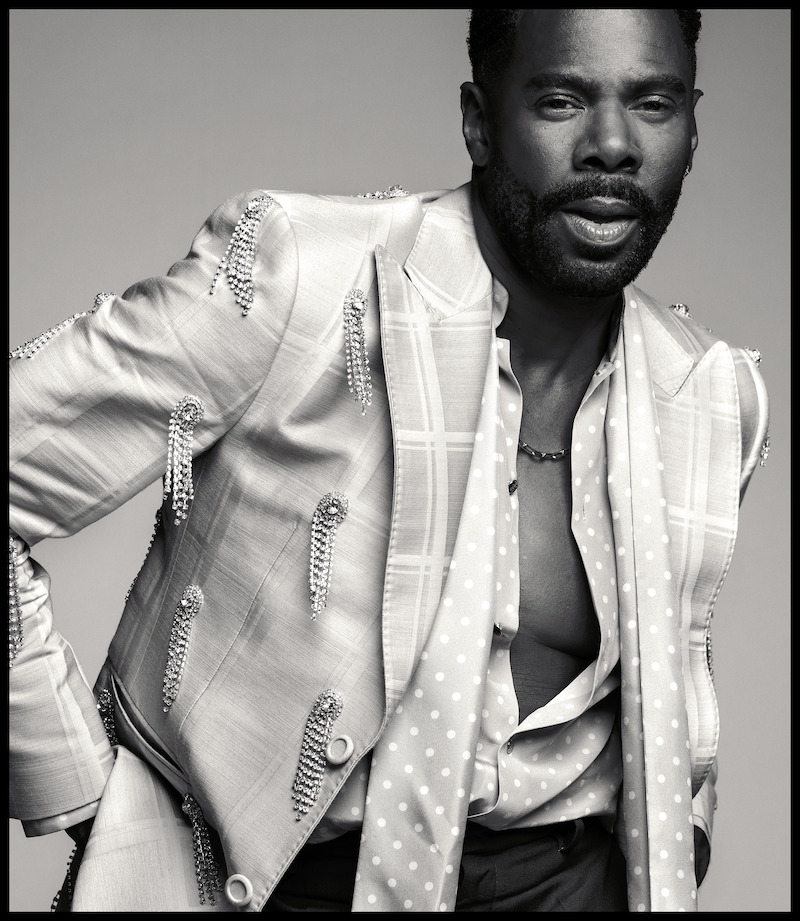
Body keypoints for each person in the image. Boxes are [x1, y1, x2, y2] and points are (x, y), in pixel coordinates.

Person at [9, 8, 770, 914]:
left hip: (569, 880)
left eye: (653, 103)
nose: (613, 144)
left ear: (691, 124)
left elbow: (677, 672)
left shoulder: (711, 394)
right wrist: (85, 795)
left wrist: (685, 830)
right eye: (562, 100)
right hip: (283, 885)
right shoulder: (303, 279)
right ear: (479, 123)